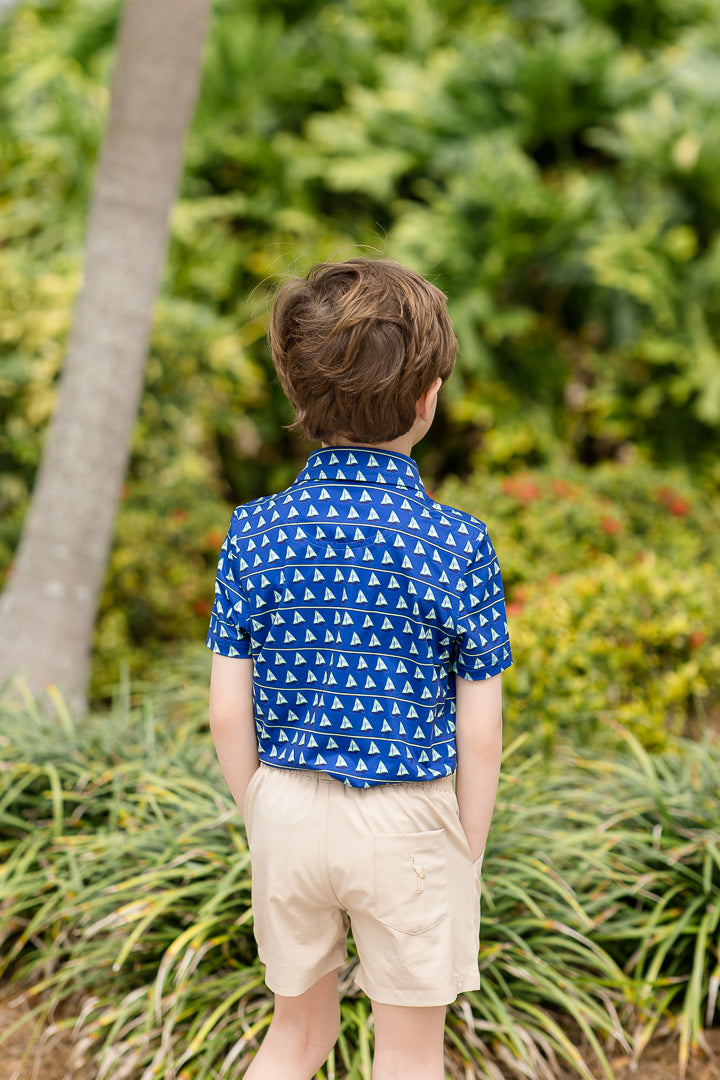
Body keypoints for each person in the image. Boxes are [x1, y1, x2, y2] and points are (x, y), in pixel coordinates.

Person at [206, 257, 513, 1080]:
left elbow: (227, 712)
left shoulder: (254, 530)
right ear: (427, 398)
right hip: (407, 818)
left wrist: (263, 810)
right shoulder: (456, 543)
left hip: (286, 807)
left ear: (297, 392)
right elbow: (480, 729)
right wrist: (465, 849)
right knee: (408, 1055)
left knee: (295, 1037)